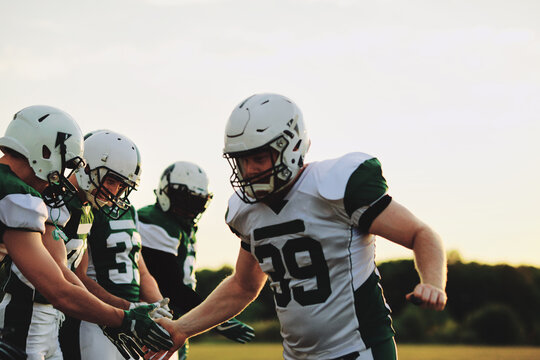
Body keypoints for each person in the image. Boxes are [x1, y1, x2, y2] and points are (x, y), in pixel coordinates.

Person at [147, 93, 448, 360]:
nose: (249, 169)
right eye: (242, 160)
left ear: (290, 146)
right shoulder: (245, 210)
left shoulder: (334, 186)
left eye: (259, 157)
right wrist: (182, 328)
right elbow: (243, 285)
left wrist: (433, 282)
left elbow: (420, 234)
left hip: (360, 349)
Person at [0, 107, 172, 360]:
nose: (61, 175)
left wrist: (109, 315)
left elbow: (74, 277)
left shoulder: (82, 211)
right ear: (44, 151)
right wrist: (124, 317)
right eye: (66, 164)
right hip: (21, 319)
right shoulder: (21, 194)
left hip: (49, 321)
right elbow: (59, 284)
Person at [68, 130, 172, 360]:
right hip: (100, 316)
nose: (114, 192)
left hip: (132, 314)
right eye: (111, 180)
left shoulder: (127, 210)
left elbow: (140, 268)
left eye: (121, 184)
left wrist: (156, 307)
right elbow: (79, 276)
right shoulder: (84, 210)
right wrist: (128, 309)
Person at [138, 161, 255, 359]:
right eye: (185, 201)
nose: (191, 209)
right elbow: (169, 286)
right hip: (151, 319)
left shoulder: (182, 227)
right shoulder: (154, 221)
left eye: (197, 202)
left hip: (174, 317)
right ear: (166, 192)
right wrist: (215, 318)